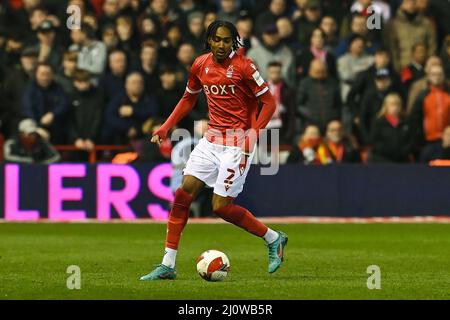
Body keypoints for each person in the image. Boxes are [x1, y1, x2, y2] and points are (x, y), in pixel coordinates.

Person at [140, 20, 288, 281]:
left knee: (220, 207)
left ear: (234, 42)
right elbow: (188, 98)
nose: (221, 45)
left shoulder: (245, 66)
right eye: (217, 39)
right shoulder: (200, 64)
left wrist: (252, 136)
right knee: (183, 193)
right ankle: (168, 264)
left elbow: (269, 102)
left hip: (238, 143)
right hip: (211, 140)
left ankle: (273, 238)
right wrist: (166, 126)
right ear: (209, 40)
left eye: (227, 40)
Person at [368, 93, 414, 163]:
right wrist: (386, 151)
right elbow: (374, 141)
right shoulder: (378, 122)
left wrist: (403, 152)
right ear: (386, 106)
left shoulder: (406, 122)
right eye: (392, 105)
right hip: (382, 159)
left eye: (397, 104)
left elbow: (411, 140)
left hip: (402, 160)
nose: (395, 107)